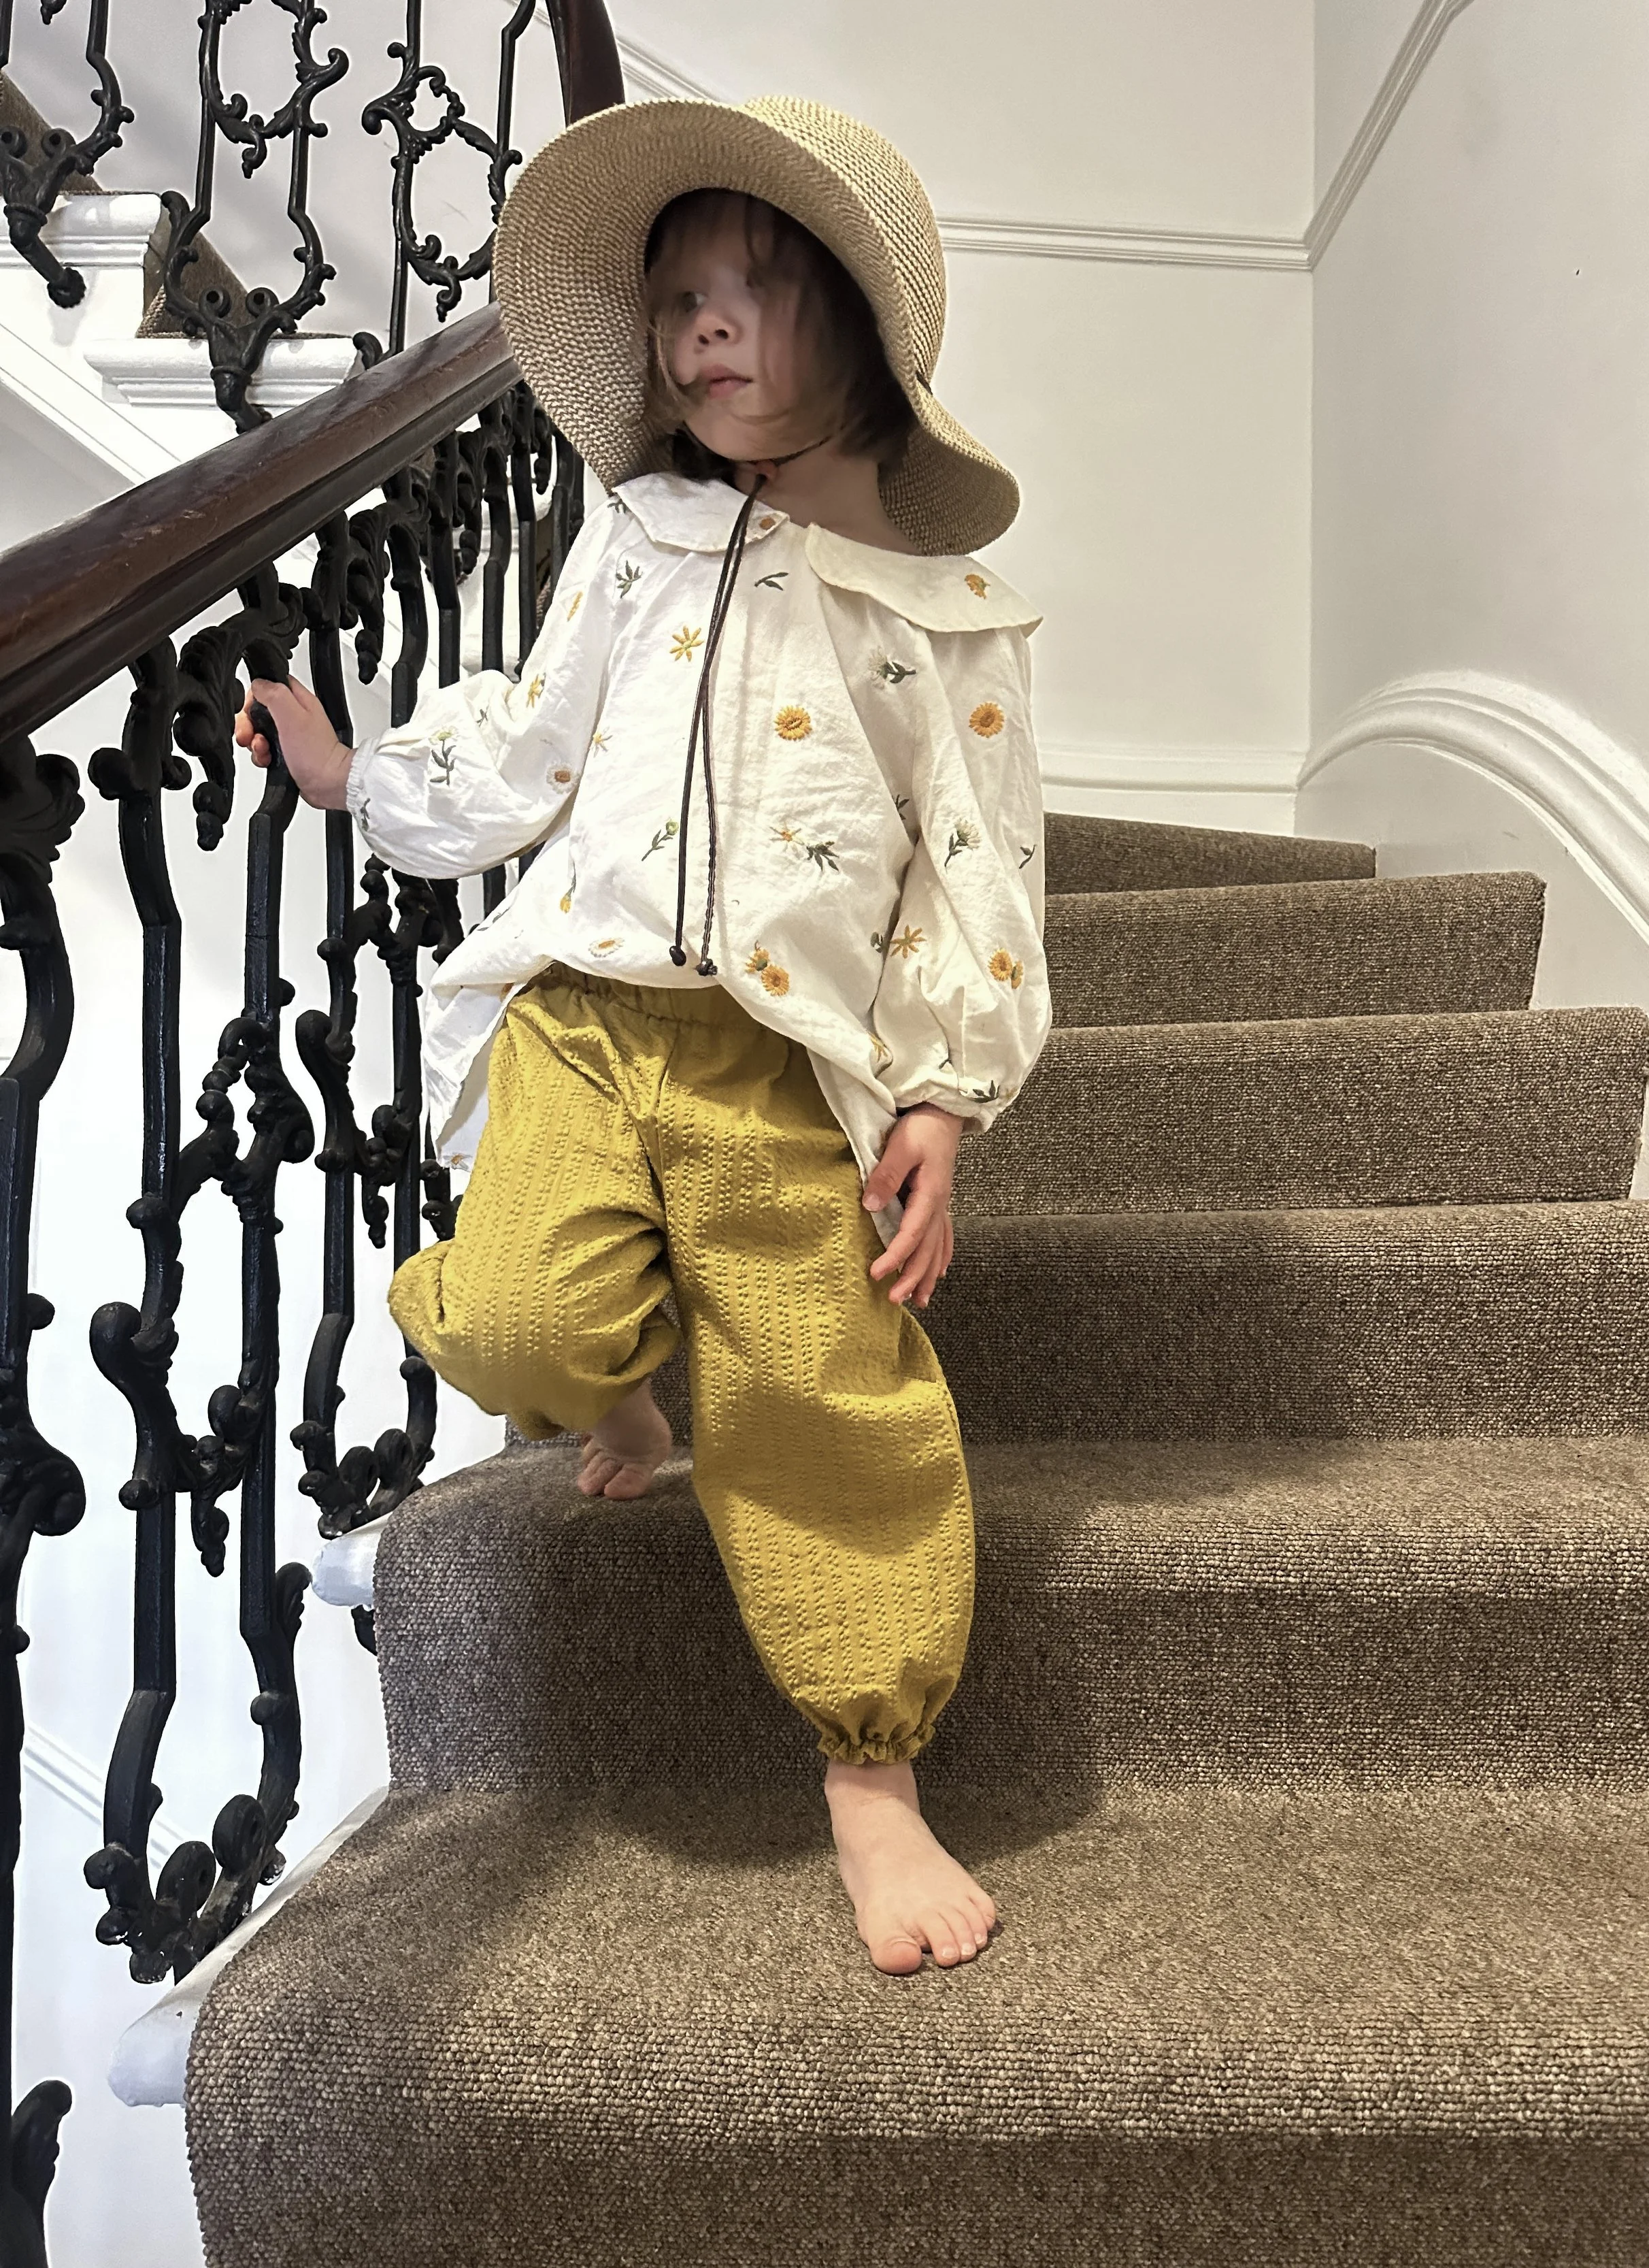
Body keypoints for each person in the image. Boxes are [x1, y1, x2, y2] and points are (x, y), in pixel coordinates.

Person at [237, 96, 1050, 1978]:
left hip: (785, 1072)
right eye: (676, 297)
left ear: (856, 324)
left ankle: (870, 1773)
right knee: (519, 1316)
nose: (702, 326)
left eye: (748, 289)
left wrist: (940, 1095)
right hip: (585, 1021)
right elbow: (530, 743)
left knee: (823, 1401)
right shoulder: (633, 540)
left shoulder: (943, 614)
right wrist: (363, 779)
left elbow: (977, 873)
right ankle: (611, 1390)